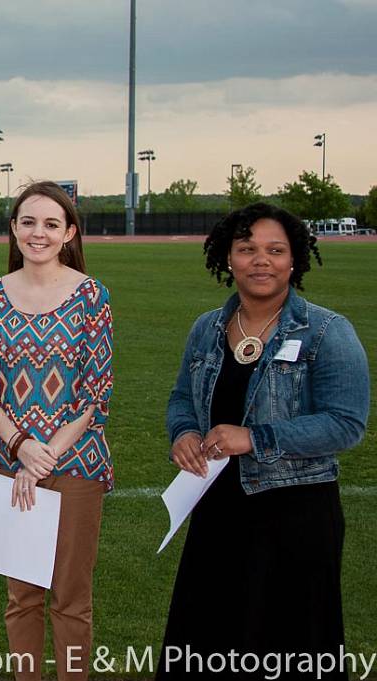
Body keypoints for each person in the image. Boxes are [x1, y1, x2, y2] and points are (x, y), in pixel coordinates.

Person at [158, 203, 369, 680]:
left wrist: (254, 437)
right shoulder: (206, 329)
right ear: (227, 259)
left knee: (289, 642)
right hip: (218, 509)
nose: (261, 260)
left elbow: (346, 423)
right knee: (209, 637)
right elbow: (180, 399)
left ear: (294, 261)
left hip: (296, 515)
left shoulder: (327, 332)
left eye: (275, 250)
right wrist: (184, 434)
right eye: (247, 249)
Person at [0, 180, 113, 681]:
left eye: (51, 223)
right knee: (22, 597)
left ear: (70, 232)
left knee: (70, 599)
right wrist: (21, 447)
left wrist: (45, 455)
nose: (39, 233)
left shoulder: (91, 296)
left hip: (76, 464)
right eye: (28, 222)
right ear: (13, 228)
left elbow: (95, 393)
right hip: (10, 464)